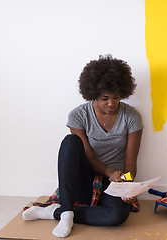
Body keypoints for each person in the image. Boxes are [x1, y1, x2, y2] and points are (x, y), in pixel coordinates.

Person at [22, 55, 143, 238]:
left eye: (116, 98)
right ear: (93, 93)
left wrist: (126, 184)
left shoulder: (131, 116)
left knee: (117, 216)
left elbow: (130, 163)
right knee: (70, 142)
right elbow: (89, 157)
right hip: (84, 179)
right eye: (104, 98)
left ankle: (57, 212)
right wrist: (108, 171)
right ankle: (67, 212)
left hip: (113, 184)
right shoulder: (79, 115)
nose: (111, 103)